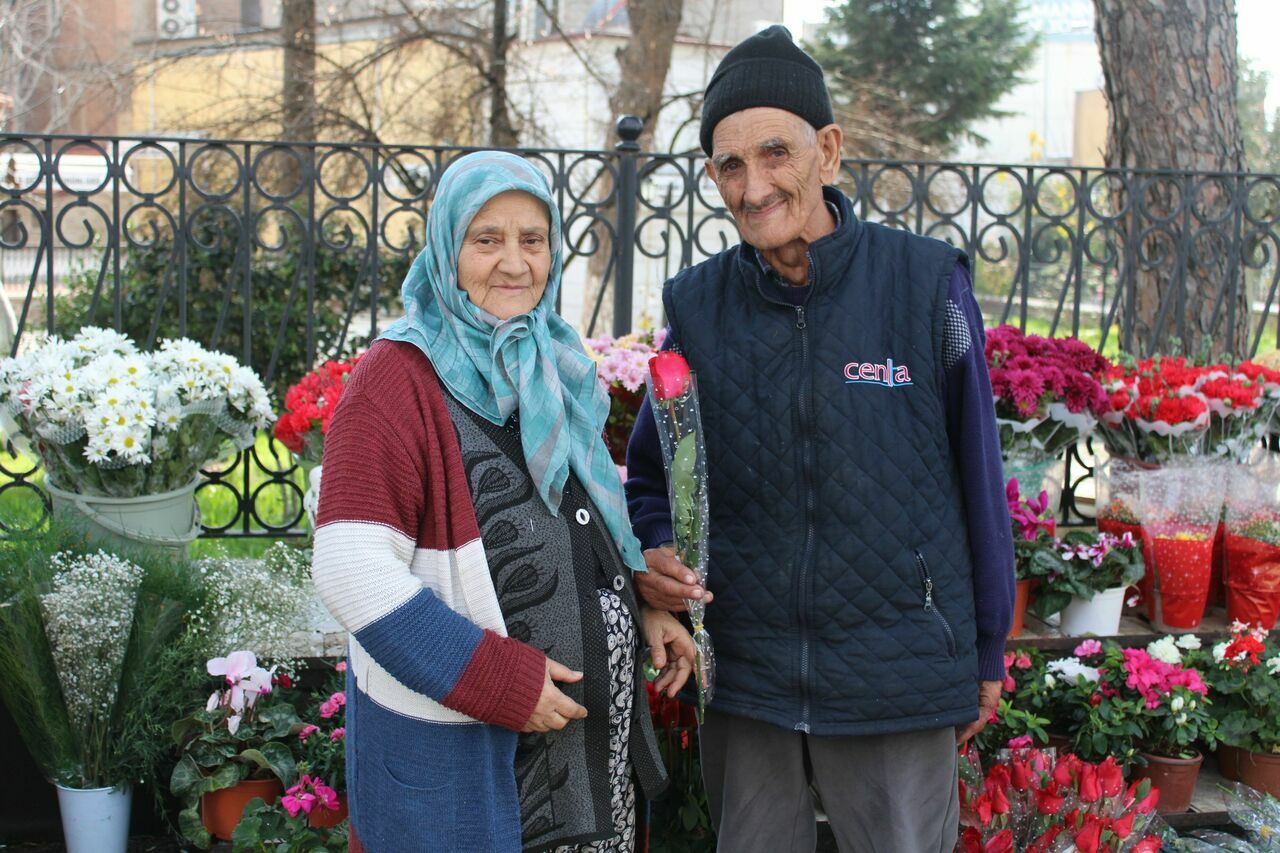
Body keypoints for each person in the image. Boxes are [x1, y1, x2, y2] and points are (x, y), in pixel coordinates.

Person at [624, 26, 1016, 853]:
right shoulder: (695, 307)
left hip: (896, 670)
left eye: (776, 152)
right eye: (731, 165)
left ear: (828, 151)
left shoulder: (923, 286)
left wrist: (984, 645)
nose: (755, 184)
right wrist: (659, 547)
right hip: (750, 677)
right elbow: (653, 479)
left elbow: (982, 478)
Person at [313, 151, 694, 853]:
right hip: (471, 777)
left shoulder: (548, 362)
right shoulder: (396, 379)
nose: (515, 262)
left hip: (588, 776)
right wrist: (498, 680)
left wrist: (641, 604)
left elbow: (575, 515)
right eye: (487, 239)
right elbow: (350, 570)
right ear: (446, 248)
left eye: (533, 239)